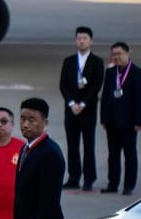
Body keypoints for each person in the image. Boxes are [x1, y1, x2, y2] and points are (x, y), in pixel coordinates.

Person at [59, 26, 104, 191]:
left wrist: (83, 104)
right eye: (79, 38)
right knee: (72, 146)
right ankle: (73, 177)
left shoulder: (97, 62)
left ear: (91, 40)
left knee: (88, 145)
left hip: (88, 110)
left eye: (84, 38)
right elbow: (63, 85)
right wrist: (72, 104)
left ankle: (89, 179)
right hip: (71, 110)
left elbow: (96, 86)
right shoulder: (69, 61)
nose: (81, 41)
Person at [100, 41, 141, 195]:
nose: (116, 57)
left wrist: (139, 121)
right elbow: (105, 97)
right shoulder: (110, 73)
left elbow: (139, 99)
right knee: (113, 154)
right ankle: (113, 183)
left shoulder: (137, 73)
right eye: (114, 54)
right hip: (112, 121)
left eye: (119, 54)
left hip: (130, 123)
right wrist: (103, 118)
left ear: (127, 53)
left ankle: (129, 185)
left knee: (130, 155)